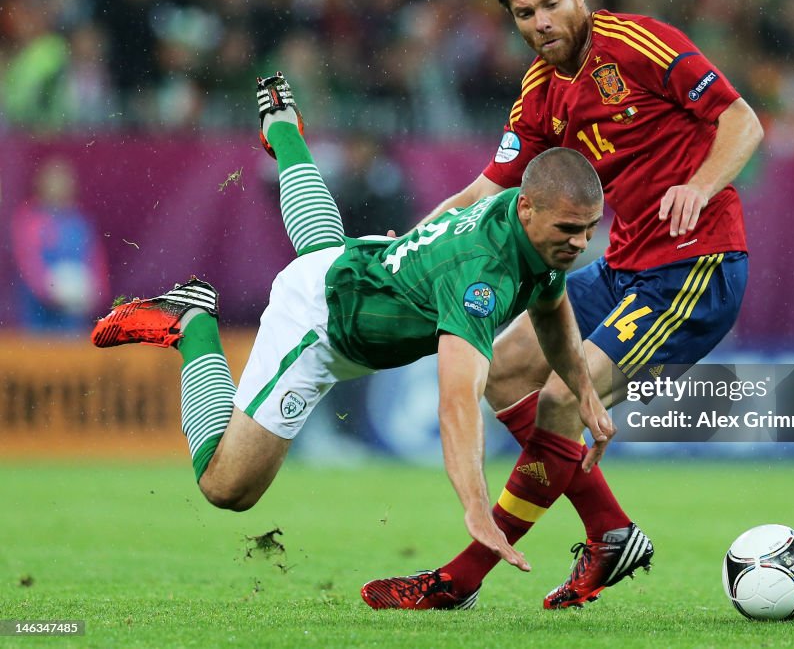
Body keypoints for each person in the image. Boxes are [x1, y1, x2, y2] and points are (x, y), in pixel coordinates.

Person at [91, 73, 613, 601]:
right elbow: (457, 401)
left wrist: (585, 392)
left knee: (323, 247)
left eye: (589, 228)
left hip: (364, 265)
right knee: (227, 488)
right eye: (569, 230)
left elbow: (550, 306)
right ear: (527, 208)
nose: (580, 242)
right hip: (318, 325)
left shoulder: (530, 224)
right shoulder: (480, 279)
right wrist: (477, 506)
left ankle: (284, 131)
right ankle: (193, 323)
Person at [362, 0, 763, 610]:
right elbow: (489, 188)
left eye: (551, 3)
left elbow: (742, 121)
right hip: (626, 266)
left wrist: (698, 186)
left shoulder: (641, 45)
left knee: (557, 396)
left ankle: (461, 578)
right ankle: (610, 530)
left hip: (696, 266)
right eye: (525, 13)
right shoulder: (541, 93)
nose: (542, 21)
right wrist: (404, 247)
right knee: (508, 367)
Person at [12, 157, 110, 332]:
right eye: (54, 181)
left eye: (64, 181)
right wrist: (49, 291)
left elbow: (95, 260)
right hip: (39, 315)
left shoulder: (79, 222)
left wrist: (96, 292)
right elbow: (28, 262)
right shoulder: (30, 220)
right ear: (41, 184)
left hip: (73, 315)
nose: (59, 187)